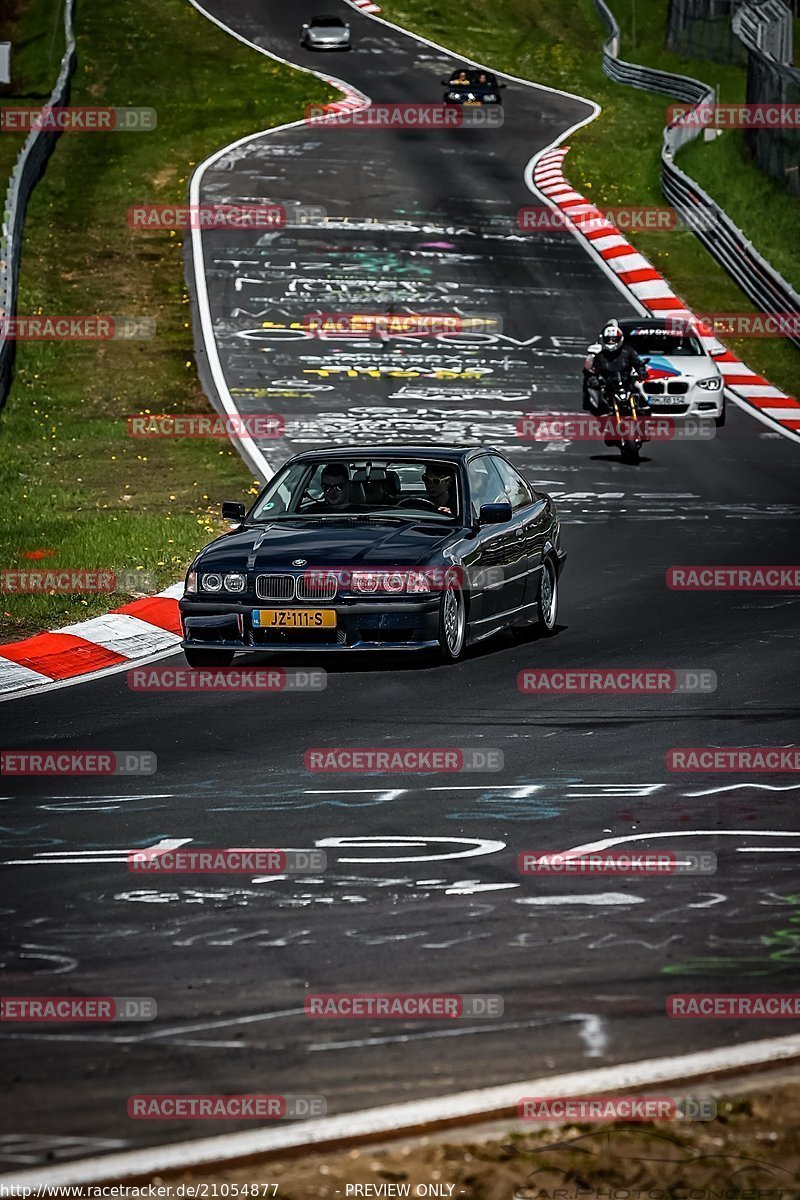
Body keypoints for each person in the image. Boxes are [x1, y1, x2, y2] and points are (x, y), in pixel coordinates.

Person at [586, 321, 652, 416]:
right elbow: (593, 371)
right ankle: (606, 419)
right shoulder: (599, 357)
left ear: (619, 339)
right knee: (600, 405)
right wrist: (594, 380)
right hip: (609, 386)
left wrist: (642, 372)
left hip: (627, 383)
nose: (611, 342)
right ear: (604, 340)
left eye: (614, 339)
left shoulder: (628, 351)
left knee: (639, 395)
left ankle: (643, 412)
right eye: (608, 339)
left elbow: (638, 363)